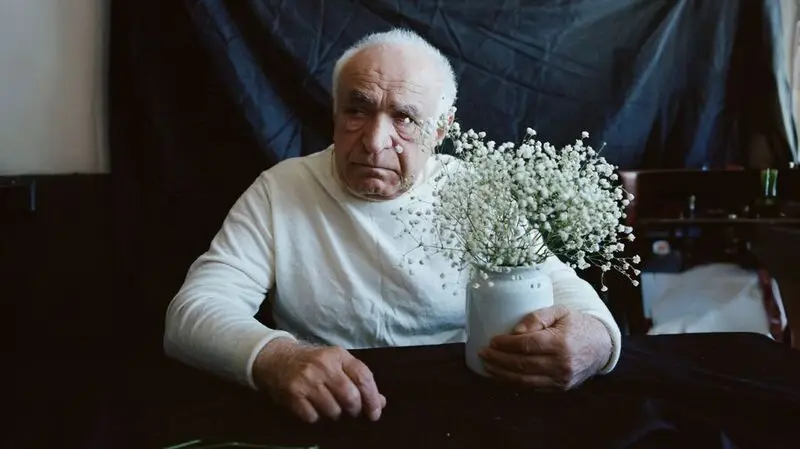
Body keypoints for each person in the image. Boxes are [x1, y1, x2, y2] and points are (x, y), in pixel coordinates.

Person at [164, 28, 622, 425]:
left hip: (462, 404)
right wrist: (275, 357)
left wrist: (598, 338)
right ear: (336, 113)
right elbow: (192, 313)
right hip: (329, 406)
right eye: (357, 111)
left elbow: (558, 280)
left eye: (404, 118)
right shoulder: (280, 189)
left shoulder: (474, 191)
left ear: (441, 130)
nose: (374, 141)